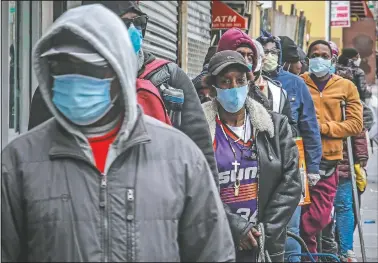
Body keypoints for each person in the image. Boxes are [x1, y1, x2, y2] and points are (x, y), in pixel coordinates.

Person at [1, 4, 235, 262]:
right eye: (63, 68)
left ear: (118, 72)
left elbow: (213, 252)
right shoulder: (18, 162)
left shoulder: (180, 156)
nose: (75, 79)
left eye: (90, 68)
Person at [27, 0, 219, 188]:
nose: (134, 31)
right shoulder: (59, 87)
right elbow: (35, 160)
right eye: (125, 23)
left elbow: (201, 157)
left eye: (139, 22)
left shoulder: (169, 77)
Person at [202, 50, 302, 262]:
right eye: (225, 82)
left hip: (264, 243)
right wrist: (236, 227)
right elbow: (198, 188)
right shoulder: (200, 130)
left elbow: (291, 182)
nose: (234, 88)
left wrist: (264, 232)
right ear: (213, 88)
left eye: (240, 80)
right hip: (218, 241)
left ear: (249, 82)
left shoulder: (274, 126)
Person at [257, 32, 322, 262]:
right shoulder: (248, 81)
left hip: (294, 159)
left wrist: (313, 167)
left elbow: (309, 127)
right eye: (264, 52)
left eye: (274, 52)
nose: (269, 56)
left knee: (292, 228)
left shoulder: (295, 84)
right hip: (260, 163)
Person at [300, 40, 363, 256]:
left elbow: (356, 124)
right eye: (315, 54)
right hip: (301, 159)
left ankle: (305, 240)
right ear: (308, 59)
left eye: (324, 55)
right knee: (302, 209)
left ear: (333, 59)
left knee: (319, 216)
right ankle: (308, 256)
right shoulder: (299, 83)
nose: (320, 59)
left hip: (329, 160)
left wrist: (323, 128)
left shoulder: (346, 86)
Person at [215, 28, 299, 137]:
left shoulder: (262, 98)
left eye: (250, 56)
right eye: (240, 54)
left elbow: (288, 136)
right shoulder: (204, 98)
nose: (245, 61)